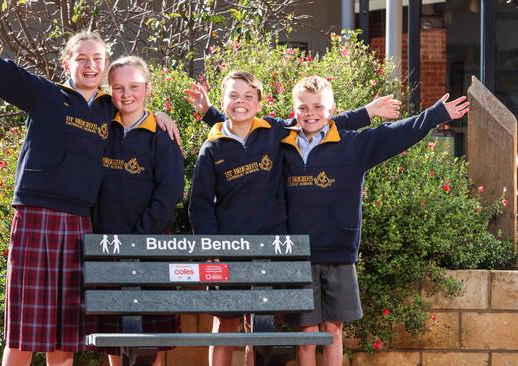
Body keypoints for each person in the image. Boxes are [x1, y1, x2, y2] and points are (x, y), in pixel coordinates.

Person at [0, 7, 179, 366]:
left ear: (105, 66)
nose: (90, 65)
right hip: (36, 217)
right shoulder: (45, 95)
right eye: (82, 58)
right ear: (67, 64)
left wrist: (162, 116)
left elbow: (136, 108)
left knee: (64, 337)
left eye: (97, 59)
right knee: (24, 336)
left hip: (80, 225)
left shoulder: (108, 110)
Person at [187, 71, 397, 366]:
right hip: (229, 251)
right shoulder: (212, 148)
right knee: (225, 326)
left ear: (260, 103)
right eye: (233, 96)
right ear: (224, 100)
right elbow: (200, 206)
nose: (240, 102)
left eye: (248, 96)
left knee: (259, 330)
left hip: (272, 252)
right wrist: (211, 249)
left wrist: (368, 113)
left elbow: (318, 121)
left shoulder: (274, 132)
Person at [280, 76, 468, 366]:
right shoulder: (282, 144)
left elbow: (394, 133)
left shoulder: (353, 145)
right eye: (302, 107)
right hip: (297, 254)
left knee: (333, 330)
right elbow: (248, 128)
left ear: (332, 109)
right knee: (306, 332)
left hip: (339, 254)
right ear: (294, 110)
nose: (310, 113)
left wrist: (435, 115)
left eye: (318, 106)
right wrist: (365, 112)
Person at [92, 56, 185, 366]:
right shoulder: (101, 130)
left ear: (148, 89)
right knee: (115, 344)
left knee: (149, 345)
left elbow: (169, 194)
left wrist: (139, 238)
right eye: (118, 87)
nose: (126, 94)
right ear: (109, 90)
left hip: (150, 250)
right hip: (107, 250)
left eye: (134, 86)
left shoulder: (162, 137)